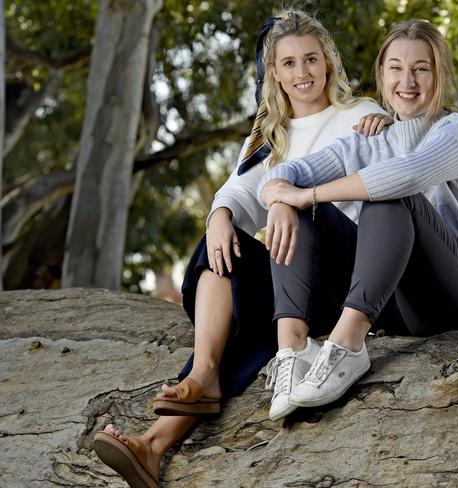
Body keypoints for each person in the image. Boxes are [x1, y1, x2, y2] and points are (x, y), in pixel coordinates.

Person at [92, 10, 390, 487]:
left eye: (311, 60)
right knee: (223, 259)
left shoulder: (360, 115)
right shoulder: (269, 133)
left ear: (328, 64)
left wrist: (381, 124)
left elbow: (387, 183)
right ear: (274, 72)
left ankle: (189, 397)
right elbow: (236, 192)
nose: (302, 73)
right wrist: (220, 218)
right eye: (289, 63)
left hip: (343, 275)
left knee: (295, 207)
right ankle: (160, 435)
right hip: (291, 283)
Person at [257, 19, 458, 413]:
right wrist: (281, 200)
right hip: (400, 307)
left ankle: (347, 345)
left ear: (439, 75)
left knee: (389, 196)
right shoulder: (372, 138)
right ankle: (293, 351)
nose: (407, 80)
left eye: (421, 68)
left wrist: (309, 194)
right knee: (298, 213)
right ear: (381, 74)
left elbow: (407, 175)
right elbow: (282, 174)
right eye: (395, 68)